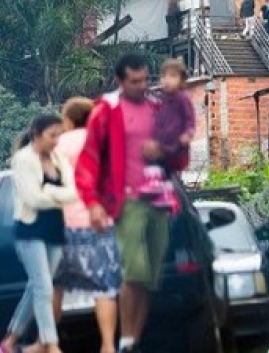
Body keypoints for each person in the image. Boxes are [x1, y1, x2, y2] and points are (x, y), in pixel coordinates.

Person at [76, 53, 180, 353]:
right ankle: (124, 340)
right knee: (132, 272)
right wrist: (93, 202)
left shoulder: (158, 107)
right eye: (134, 81)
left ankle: (132, 338)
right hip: (127, 200)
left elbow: (178, 151)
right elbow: (89, 159)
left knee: (149, 278)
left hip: (159, 197)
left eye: (146, 79)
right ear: (120, 81)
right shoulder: (106, 109)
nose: (142, 86)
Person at [0, 114, 80, 353]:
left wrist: (49, 191)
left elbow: (73, 193)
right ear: (36, 135)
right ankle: (51, 345)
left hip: (54, 229)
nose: (56, 141)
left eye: (59, 135)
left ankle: (9, 342)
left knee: (36, 287)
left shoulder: (59, 159)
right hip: (30, 231)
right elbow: (33, 199)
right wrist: (58, 194)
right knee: (44, 287)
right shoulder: (22, 161)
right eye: (52, 135)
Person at [53, 98, 122, 353]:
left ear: (69, 120)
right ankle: (107, 344)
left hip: (65, 225)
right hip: (100, 224)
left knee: (55, 286)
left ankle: (52, 343)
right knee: (104, 287)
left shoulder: (58, 146)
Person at [138, 59, 195, 210]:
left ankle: (166, 194)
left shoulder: (182, 98)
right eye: (164, 77)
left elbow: (190, 118)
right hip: (162, 141)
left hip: (176, 143)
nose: (167, 80)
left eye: (172, 76)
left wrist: (188, 133)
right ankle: (154, 186)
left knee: (165, 168)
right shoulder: (162, 98)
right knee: (152, 161)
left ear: (181, 80)